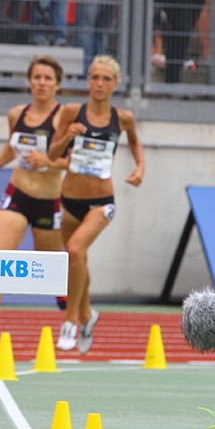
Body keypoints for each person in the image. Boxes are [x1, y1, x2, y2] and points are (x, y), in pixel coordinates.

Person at [47, 55, 143, 353]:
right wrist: (67, 136)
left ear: (115, 84)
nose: (99, 84)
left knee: (75, 250)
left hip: (101, 201)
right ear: (88, 80)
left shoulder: (123, 117)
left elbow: (135, 142)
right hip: (70, 198)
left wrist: (139, 167)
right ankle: (89, 316)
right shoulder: (71, 112)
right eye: (94, 77)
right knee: (77, 258)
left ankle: (70, 321)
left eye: (105, 79)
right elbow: (51, 155)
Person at [0, 56, 67, 351]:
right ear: (29, 81)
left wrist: (50, 161)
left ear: (57, 84)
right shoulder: (17, 114)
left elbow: (77, 161)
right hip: (18, 194)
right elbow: (12, 147)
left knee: (53, 270)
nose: (41, 83)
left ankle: (70, 311)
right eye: (37, 77)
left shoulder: (66, 117)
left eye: (47, 78)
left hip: (49, 201)